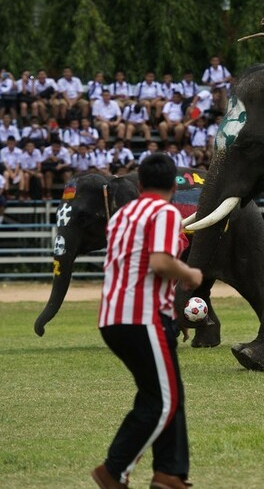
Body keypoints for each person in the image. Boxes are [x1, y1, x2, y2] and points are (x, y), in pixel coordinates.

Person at [91, 153, 202, 489]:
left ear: (139, 185)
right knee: (164, 401)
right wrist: (190, 273)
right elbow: (160, 262)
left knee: (163, 394)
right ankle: (114, 469)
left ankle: (170, 472)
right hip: (144, 318)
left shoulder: (123, 215)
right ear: (174, 186)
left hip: (112, 318)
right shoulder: (165, 212)